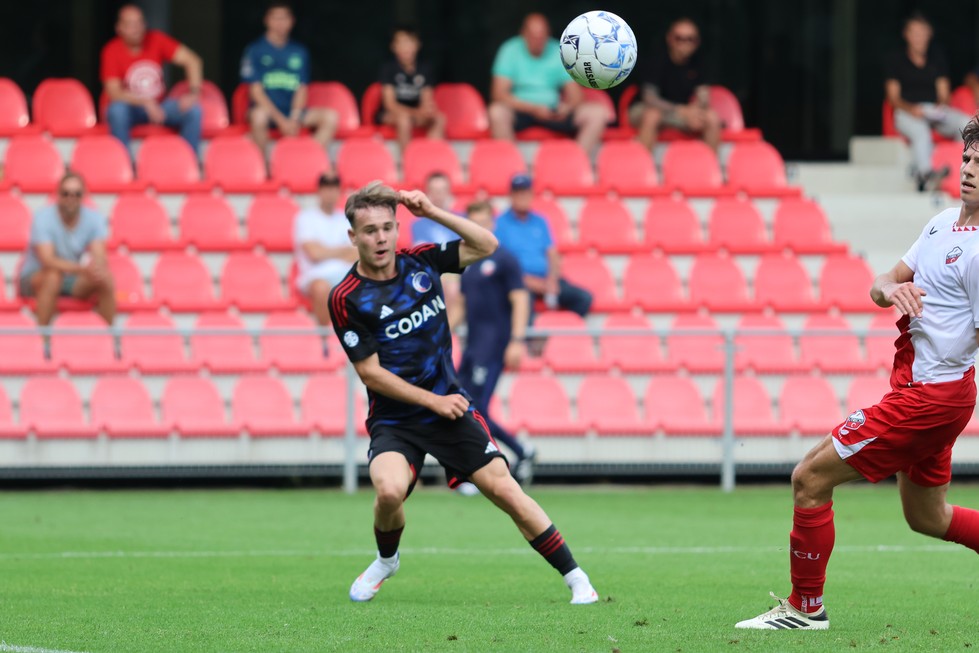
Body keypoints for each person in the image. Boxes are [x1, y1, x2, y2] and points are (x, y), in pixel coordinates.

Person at [736, 118, 979, 631]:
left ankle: (805, 610)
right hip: (928, 392)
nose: (970, 170)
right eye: (967, 160)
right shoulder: (940, 225)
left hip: (931, 398)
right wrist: (890, 289)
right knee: (928, 517)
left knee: (809, 478)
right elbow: (882, 281)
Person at [328, 181, 598, 605]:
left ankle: (577, 578)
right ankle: (386, 560)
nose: (379, 238)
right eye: (368, 231)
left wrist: (433, 212)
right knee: (388, 492)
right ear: (353, 236)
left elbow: (487, 245)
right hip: (397, 421)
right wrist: (432, 400)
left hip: (450, 411)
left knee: (506, 491)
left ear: (398, 229)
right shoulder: (346, 297)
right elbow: (372, 374)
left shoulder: (421, 262)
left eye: (386, 228)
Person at [453, 201, 536, 485]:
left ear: (492, 224)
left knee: (477, 410)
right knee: (463, 407)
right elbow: (462, 306)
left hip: (493, 347)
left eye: (482, 223)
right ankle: (520, 452)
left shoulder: (505, 259)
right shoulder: (469, 264)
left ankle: (487, 469)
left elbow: (521, 298)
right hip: (473, 348)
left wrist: (516, 340)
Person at [488, 13, 609, 156]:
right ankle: (513, 169)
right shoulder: (509, 50)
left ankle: (574, 165)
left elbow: (576, 95)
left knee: (599, 113)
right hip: (520, 110)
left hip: (552, 111)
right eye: (533, 36)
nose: (538, 41)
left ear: (548, 35)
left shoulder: (558, 50)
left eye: (542, 36)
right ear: (523, 34)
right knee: (496, 112)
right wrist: (533, 109)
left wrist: (567, 108)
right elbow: (498, 94)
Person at [101, 4, 203, 157]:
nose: (136, 28)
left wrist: (194, 93)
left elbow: (193, 61)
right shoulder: (111, 50)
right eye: (129, 24)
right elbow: (113, 92)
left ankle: (188, 164)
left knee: (194, 111)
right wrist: (146, 102)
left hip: (161, 106)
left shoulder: (156, 39)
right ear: (119, 28)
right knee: (116, 110)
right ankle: (124, 165)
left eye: (139, 23)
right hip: (132, 108)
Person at [884, 12, 970, 192]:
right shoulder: (896, 60)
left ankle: (966, 166)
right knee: (921, 133)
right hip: (907, 112)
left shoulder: (936, 57)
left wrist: (940, 106)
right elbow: (893, 98)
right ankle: (926, 174)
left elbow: (943, 92)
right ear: (906, 35)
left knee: (966, 123)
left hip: (932, 111)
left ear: (929, 34)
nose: (919, 37)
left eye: (922, 32)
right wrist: (912, 109)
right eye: (915, 33)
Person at [19, 172, 115, 330]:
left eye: (76, 194)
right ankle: (42, 341)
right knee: (53, 275)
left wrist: (96, 267)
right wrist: (83, 269)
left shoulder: (94, 218)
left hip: (69, 278)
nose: (71, 198)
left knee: (104, 277)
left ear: (83, 196)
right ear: (58, 194)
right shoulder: (43, 217)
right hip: (35, 278)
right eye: (66, 193)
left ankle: (108, 340)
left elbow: (99, 254)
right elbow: (47, 260)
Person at [240, 1, 338, 156]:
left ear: (291, 21)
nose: (280, 23)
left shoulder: (299, 51)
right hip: (268, 112)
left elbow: (302, 88)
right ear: (267, 20)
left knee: (330, 117)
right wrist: (281, 121)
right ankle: (264, 170)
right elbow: (255, 91)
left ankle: (307, 160)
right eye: (276, 18)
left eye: (284, 18)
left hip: (292, 112)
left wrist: (294, 117)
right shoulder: (255, 50)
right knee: (258, 116)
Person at [494, 173, 592, 318]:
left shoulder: (540, 221)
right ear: (511, 195)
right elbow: (502, 262)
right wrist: (530, 281)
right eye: (518, 193)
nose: (522, 197)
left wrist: (552, 280)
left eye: (525, 192)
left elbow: (552, 253)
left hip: (546, 280)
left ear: (532, 194)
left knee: (584, 298)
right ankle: (527, 340)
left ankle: (561, 335)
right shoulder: (500, 223)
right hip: (519, 281)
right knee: (523, 307)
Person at [629, 17, 721, 152]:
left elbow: (703, 96)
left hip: (680, 113)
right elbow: (650, 99)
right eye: (679, 38)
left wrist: (695, 111)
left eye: (690, 39)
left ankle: (711, 169)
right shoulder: (656, 60)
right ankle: (642, 168)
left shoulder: (699, 63)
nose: (684, 43)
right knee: (652, 115)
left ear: (697, 42)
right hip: (648, 110)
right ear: (670, 39)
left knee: (712, 117)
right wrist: (682, 111)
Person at [294, 173, 358, 327]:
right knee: (322, 288)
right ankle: (326, 338)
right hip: (315, 275)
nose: (330, 193)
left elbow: (357, 253)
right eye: (327, 188)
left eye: (334, 188)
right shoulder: (305, 217)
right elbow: (314, 253)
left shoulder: (345, 219)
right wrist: (343, 251)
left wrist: (326, 251)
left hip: (345, 274)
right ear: (319, 191)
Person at [377, 25, 445, 153]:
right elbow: (389, 104)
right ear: (394, 47)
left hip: (416, 113)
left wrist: (427, 110)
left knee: (439, 118)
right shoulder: (388, 69)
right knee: (404, 119)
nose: (405, 48)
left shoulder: (425, 69)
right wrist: (415, 113)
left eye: (409, 42)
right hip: (392, 115)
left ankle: (432, 157)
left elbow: (427, 98)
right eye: (401, 43)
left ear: (417, 45)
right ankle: (408, 162)